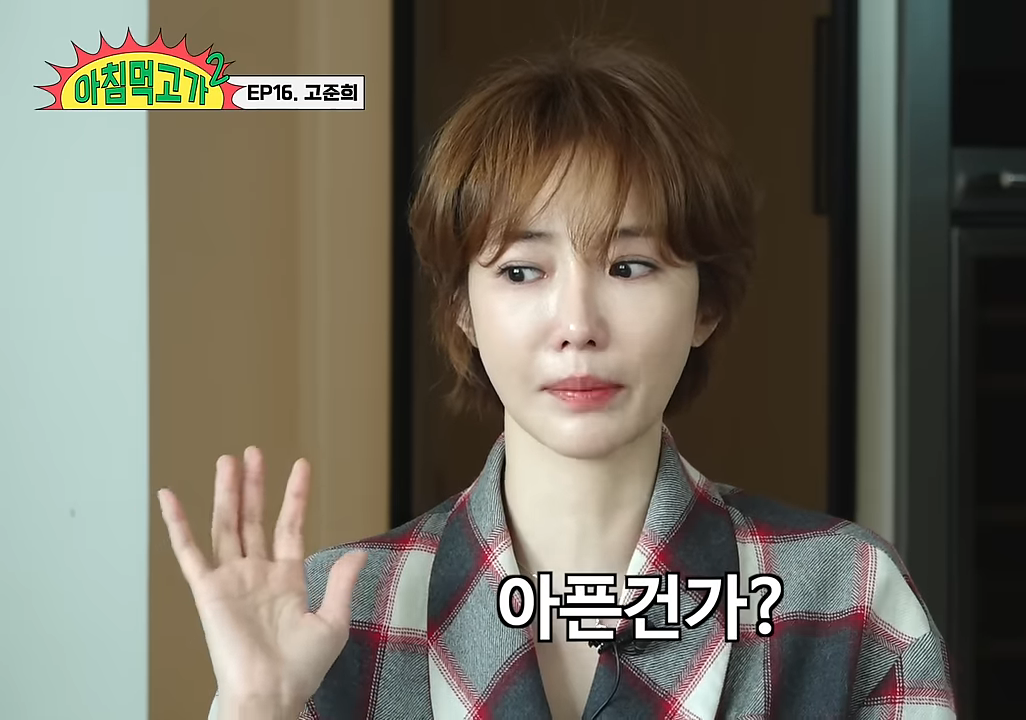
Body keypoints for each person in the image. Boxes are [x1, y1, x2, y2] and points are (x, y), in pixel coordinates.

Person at [157, 39, 956, 720]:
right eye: (521, 270)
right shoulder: (334, 614)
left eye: (629, 266)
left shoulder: (846, 597)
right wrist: (257, 704)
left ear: (706, 304)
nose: (578, 323)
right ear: (462, 311)